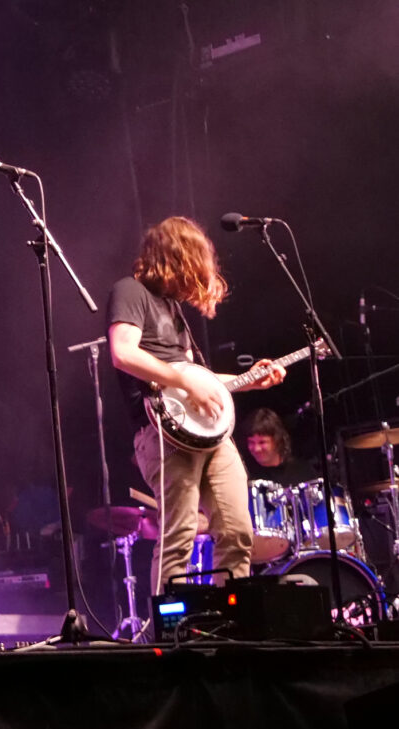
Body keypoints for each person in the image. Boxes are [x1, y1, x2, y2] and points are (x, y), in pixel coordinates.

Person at [106, 216, 286, 595]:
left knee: (238, 532)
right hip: (162, 435)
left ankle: (231, 625)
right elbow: (122, 353)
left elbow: (196, 379)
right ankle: (168, 636)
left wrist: (248, 381)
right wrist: (184, 379)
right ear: (176, 255)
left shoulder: (173, 310)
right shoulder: (129, 291)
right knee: (179, 537)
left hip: (208, 435)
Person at [240, 408, 316, 485]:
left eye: (262, 442)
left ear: (277, 440)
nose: (256, 448)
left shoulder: (302, 472)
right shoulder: (244, 474)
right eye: (251, 442)